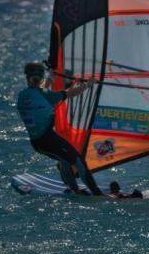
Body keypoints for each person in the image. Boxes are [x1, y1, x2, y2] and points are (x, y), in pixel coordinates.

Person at [16, 62, 103, 196]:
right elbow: (71, 92)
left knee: (64, 161)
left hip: (38, 143)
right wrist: (88, 84)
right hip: (48, 141)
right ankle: (97, 194)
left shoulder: (22, 95)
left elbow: (40, 90)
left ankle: (74, 190)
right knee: (78, 161)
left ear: (27, 77)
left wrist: (50, 78)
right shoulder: (46, 95)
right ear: (40, 78)